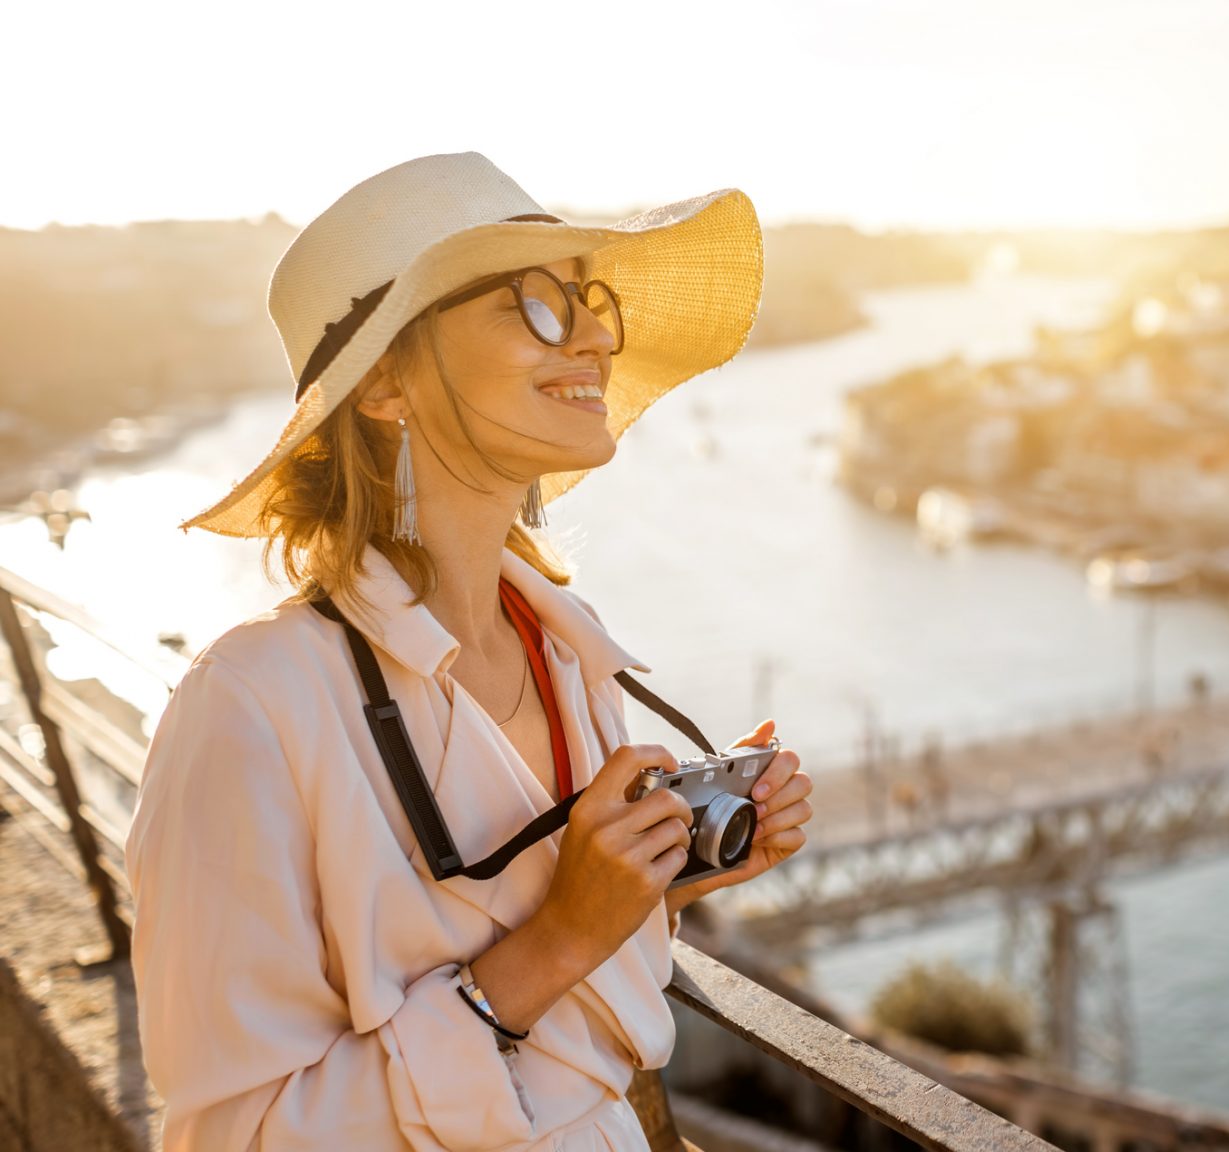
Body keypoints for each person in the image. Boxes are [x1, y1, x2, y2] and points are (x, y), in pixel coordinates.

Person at [124, 153, 812, 1151]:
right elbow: (237, 1135)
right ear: (386, 382)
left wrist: (659, 880)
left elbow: (568, 1024)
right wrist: (565, 933)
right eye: (531, 304)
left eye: (587, 297)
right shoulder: (248, 706)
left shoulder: (570, 660)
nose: (592, 335)